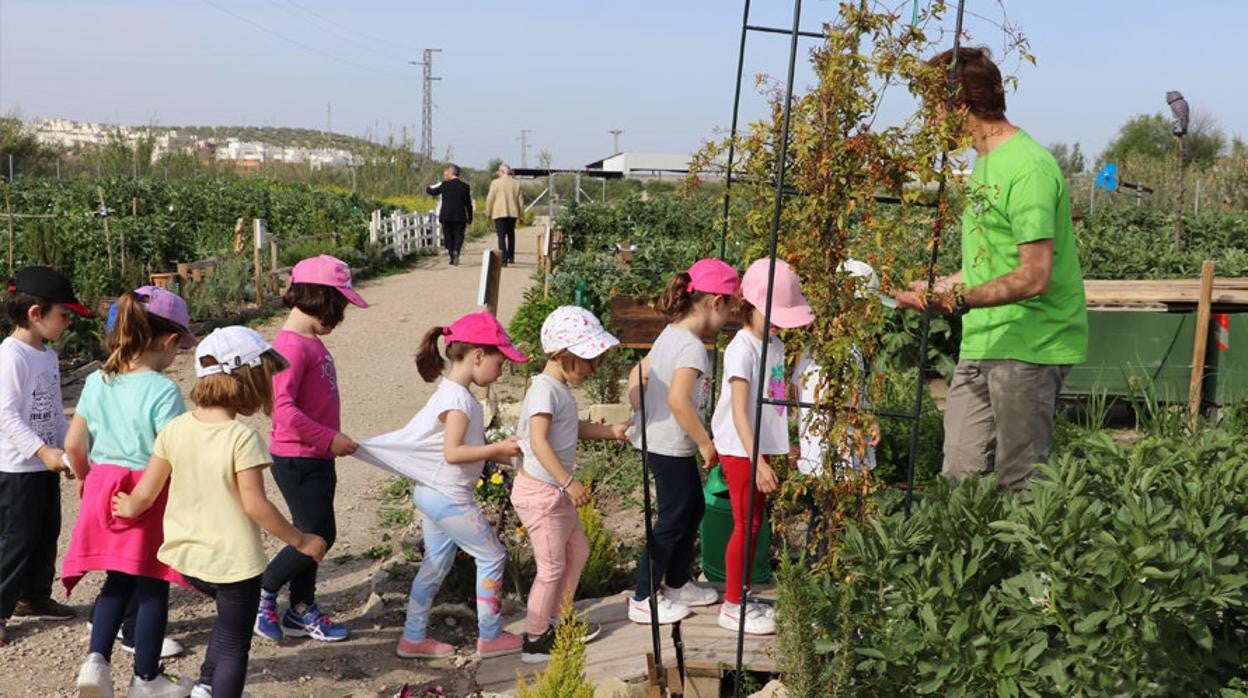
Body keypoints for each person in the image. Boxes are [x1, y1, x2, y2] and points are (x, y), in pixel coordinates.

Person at [893, 46, 1088, 492]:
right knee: (958, 477)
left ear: (959, 107)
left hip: (1031, 344)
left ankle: (1027, 564)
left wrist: (955, 299)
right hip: (984, 339)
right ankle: (973, 562)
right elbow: (987, 266)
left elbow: (1033, 276)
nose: (926, 122)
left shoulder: (1028, 168)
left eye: (930, 110)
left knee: (1019, 483)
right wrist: (937, 287)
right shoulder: (985, 165)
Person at [113, 326, 327, 698]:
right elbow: (255, 505)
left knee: (226, 624)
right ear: (246, 379)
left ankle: (207, 687)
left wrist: (125, 505)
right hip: (233, 564)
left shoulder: (176, 429)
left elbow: (144, 495)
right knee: (233, 641)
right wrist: (301, 540)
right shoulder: (241, 437)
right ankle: (218, 688)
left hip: (187, 557)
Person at [353, 311, 528, 660]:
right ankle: (490, 635)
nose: (501, 371)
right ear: (478, 355)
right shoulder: (459, 401)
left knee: (435, 565)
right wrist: (497, 449)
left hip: (433, 493)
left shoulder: (452, 393)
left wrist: (506, 455)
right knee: (493, 556)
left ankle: (413, 638)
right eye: (500, 361)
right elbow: (454, 452)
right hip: (449, 497)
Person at [64, 288, 198, 697]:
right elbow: (174, 454)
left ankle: (95, 662)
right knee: (153, 583)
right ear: (170, 341)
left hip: (103, 485)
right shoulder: (163, 391)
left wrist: (87, 476)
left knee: (116, 581)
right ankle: (146, 677)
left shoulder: (97, 380)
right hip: (145, 491)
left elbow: (72, 443)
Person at [254, 255, 366, 644]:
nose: (337, 318)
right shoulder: (290, 347)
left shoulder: (307, 342)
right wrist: (328, 438)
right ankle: (264, 594)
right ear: (315, 298)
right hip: (299, 457)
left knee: (311, 532)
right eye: (336, 308)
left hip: (314, 456)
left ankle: (301, 609)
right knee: (319, 535)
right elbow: (283, 410)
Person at [625, 259, 740, 626]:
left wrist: (639, 407)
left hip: (664, 440)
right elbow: (678, 400)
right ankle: (644, 596)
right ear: (715, 302)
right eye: (730, 309)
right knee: (674, 518)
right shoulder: (691, 347)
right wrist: (706, 444)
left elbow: (638, 373)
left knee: (692, 507)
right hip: (670, 444)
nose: (729, 319)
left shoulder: (671, 333)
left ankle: (676, 582)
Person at [512, 305, 628, 663]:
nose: (595, 369)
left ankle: (558, 619)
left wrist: (611, 432)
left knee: (577, 552)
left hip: (555, 492)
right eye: (589, 360)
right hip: (543, 493)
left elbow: (572, 426)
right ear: (563, 355)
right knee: (551, 567)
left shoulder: (558, 388)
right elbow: (538, 442)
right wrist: (569, 482)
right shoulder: (544, 391)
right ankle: (535, 637)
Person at [710, 258, 813, 636]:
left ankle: (742, 593)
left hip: (758, 448)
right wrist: (756, 463)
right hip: (741, 450)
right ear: (749, 306)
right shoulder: (742, 349)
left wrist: (788, 444)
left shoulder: (774, 344)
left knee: (755, 524)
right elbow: (739, 413)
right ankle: (732, 605)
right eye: (774, 315)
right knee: (745, 524)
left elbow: (776, 398)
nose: (778, 323)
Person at [0, 266, 94, 648]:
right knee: (15, 539)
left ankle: (33, 595)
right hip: (17, 467)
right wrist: (41, 450)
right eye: (64, 314)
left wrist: (67, 452)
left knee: (46, 531)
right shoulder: (11, 355)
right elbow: (5, 414)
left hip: (44, 464)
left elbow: (56, 412)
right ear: (35, 313)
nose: (68, 322)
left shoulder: (48, 356)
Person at [426, 164, 473, 266]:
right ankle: (456, 251)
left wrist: (427, 187)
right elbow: (468, 204)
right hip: (460, 216)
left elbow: (433, 192)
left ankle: (452, 257)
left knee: (448, 237)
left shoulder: (445, 184)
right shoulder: (465, 186)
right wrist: (470, 217)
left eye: (448, 171)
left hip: (446, 216)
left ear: (451, 173)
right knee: (459, 236)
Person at [484, 164, 524, 267]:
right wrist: (521, 216)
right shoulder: (516, 183)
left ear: (501, 172)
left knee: (501, 236)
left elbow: (490, 199)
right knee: (511, 235)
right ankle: (511, 256)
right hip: (512, 213)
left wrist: (488, 212)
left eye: (498, 171)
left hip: (499, 213)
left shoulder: (495, 183)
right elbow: (520, 202)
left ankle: (503, 259)